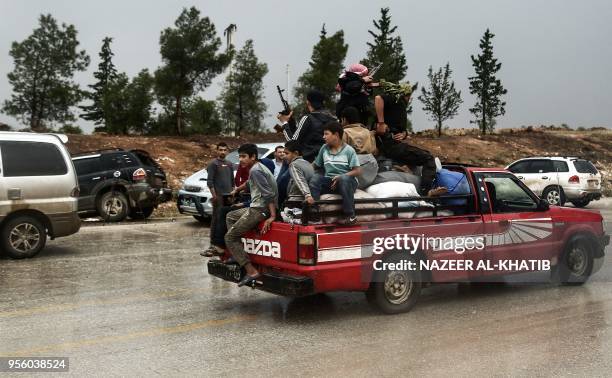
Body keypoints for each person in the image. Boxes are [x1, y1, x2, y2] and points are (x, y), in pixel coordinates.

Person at [225, 144, 278, 287]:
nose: (240, 160)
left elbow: (268, 194)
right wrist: (237, 189)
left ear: (253, 157)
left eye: (243, 156)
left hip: (260, 209)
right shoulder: (257, 168)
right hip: (257, 206)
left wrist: (272, 216)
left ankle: (252, 271)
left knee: (229, 237)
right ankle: (238, 254)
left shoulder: (255, 171)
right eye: (239, 156)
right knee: (230, 216)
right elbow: (250, 183)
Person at [374, 81, 436, 195]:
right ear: (405, 94)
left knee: (414, 158)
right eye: (409, 96)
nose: (409, 99)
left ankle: (406, 173)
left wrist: (404, 134)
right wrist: (381, 123)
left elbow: (400, 128)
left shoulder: (397, 107)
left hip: (391, 144)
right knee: (428, 158)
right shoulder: (396, 100)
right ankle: (426, 191)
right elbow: (378, 98)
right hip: (391, 145)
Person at [310, 122, 362, 225]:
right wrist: (303, 169)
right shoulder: (324, 148)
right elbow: (315, 165)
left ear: (336, 135)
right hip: (331, 182)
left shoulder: (349, 150)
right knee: (315, 179)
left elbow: (358, 171)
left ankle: (350, 215)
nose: (323, 137)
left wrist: (342, 176)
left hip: (348, 181)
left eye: (326, 134)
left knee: (344, 180)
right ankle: (315, 213)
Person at [277, 89, 336, 162]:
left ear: (308, 102)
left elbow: (292, 143)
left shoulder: (307, 118)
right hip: (330, 161)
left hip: (309, 162)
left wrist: (284, 122)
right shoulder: (333, 119)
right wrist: (291, 122)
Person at [201, 142, 233, 257]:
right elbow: (210, 182)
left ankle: (223, 243)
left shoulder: (229, 164)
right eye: (220, 150)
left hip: (228, 197)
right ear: (217, 150)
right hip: (218, 197)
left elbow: (232, 181)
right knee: (216, 220)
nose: (222, 152)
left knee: (225, 220)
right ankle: (213, 244)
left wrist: (232, 193)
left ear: (227, 151)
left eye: (225, 150)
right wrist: (214, 196)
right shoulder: (213, 164)